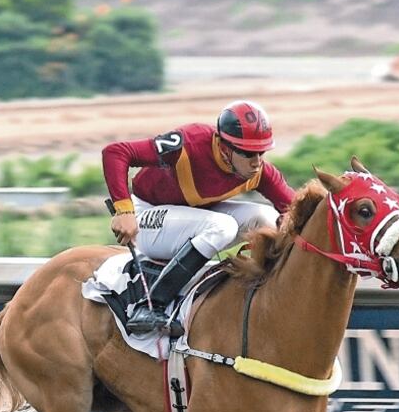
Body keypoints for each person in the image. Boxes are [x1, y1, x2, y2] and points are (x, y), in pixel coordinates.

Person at [103, 100, 295, 335]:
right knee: (222, 226)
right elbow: (116, 152)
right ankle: (151, 305)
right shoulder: (187, 143)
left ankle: (265, 291)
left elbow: (295, 210)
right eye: (247, 153)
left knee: (268, 218)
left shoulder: (260, 171)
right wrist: (124, 211)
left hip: (195, 218)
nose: (256, 162)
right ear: (224, 147)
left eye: (261, 152)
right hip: (147, 218)